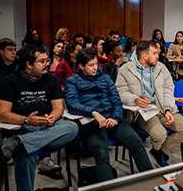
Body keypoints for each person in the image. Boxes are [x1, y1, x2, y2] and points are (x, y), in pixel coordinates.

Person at [0, 45, 78, 191]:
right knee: (26, 155)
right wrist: (26, 120)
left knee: (71, 127)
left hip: (46, 127)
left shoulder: (50, 80)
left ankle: (21, 144)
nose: (47, 64)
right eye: (42, 61)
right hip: (21, 127)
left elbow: (58, 107)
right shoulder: (10, 81)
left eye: (47, 60)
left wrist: (53, 117)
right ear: (28, 63)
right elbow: (3, 113)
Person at [64, 49, 153, 181]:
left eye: (96, 64)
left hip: (112, 119)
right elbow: (72, 104)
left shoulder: (105, 78)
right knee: (101, 154)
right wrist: (94, 113)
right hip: (91, 123)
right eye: (91, 65)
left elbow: (116, 101)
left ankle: (151, 179)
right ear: (81, 66)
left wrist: (116, 117)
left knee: (137, 143)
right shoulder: (72, 81)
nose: (95, 68)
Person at [116, 41, 183, 167]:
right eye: (155, 53)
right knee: (159, 134)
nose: (158, 56)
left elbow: (168, 89)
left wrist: (168, 109)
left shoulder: (161, 68)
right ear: (145, 56)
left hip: (162, 107)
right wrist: (135, 99)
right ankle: (159, 151)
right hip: (143, 111)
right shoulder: (126, 69)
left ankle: (159, 152)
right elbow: (120, 92)